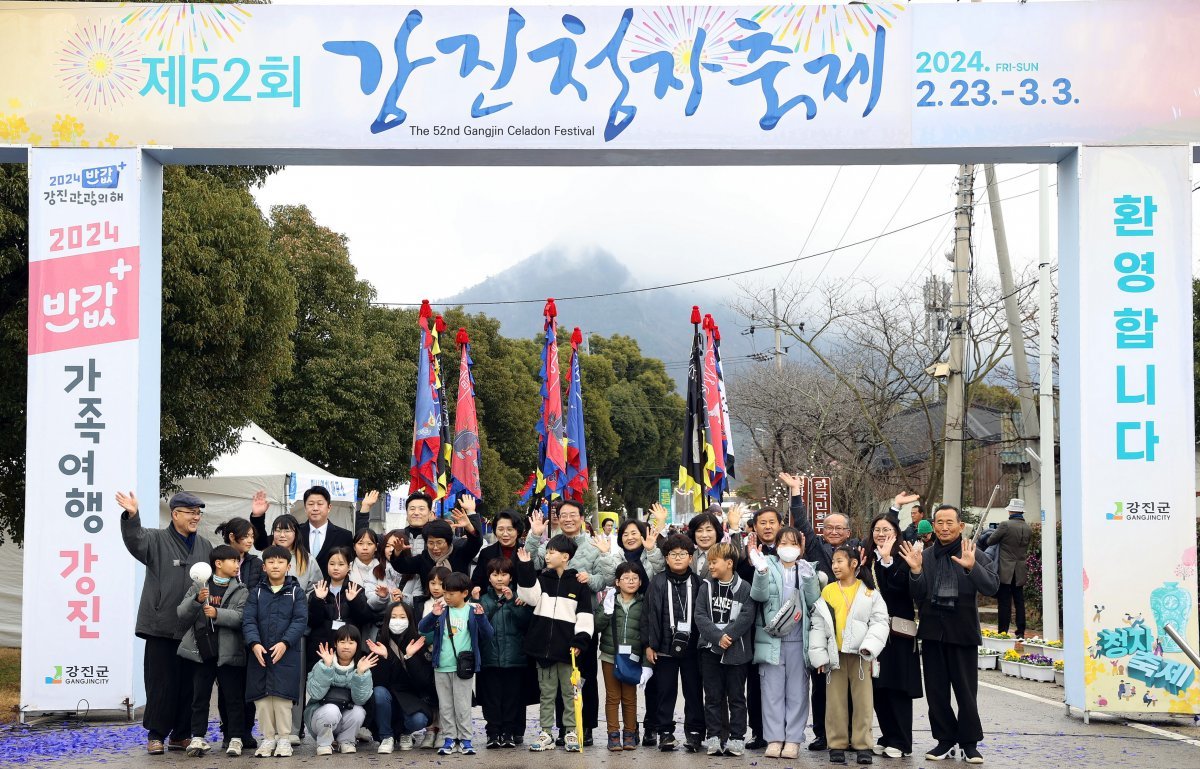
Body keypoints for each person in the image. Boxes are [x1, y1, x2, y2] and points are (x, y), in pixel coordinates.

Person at [898, 504, 999, 764]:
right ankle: (944, 741)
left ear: (960, 526)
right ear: (933, 525)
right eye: (939, 522)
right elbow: (917, 596)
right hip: (932, 633)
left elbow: (991, 586)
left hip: (963, 633)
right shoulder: (926, 555)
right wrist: (916, 572)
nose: (944, 527)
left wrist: (972, 566)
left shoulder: (972, 552)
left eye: (949, 522)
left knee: (966, 693)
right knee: (936, 693)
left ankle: (969, 744)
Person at [116, 490, 214, 755]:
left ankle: (181, 734)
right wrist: (132, 515)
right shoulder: (156, 539)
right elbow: (134, 540)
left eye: (198, 513)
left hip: (192, 629)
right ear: (175, 514)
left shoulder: (205, 545)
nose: (196, 517)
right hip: (161, 625)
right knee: (161, 683)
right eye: (191, 512)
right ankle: (156, 734)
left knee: (188, 684)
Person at [524, 499, 619, 746]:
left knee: (583, 676)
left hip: (582, 622)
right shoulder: (550, 544)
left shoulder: (593, 544)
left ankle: (584, 726)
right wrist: (534, 537)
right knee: (555, 680)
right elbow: (531, 564)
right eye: (562, 514)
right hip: (551, 624)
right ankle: (560, 728)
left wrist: (591, 577)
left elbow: (608, 578)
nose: (567, 519)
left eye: (572, 514)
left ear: (580, 516)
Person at [809, 546, 890, 765]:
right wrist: (820, 656)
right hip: (835, 654)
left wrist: (869, 647)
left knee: (863, 701)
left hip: (861, 655)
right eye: (833, 562)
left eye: (839, 562)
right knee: (835, 701)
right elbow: (817, 625)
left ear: (854, 564)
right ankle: (836, 744)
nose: (835, 566)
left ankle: (863, 744)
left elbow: (881, 622)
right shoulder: (828, 591)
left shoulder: (869, 593)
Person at [747, 525, 822, 760]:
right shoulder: (767, 565)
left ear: (800, 547)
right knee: (771, 692)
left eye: (793, 543)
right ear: (776, 546)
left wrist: (810, 579)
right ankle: (774, 738)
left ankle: (793, 739)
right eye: (784, 543)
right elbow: (758, 597)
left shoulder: (808, 568)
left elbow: (813, 602)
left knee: (798, 692)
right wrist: (759, 572)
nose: (788, 548)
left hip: (799, 639)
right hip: (770, 639)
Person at [515, 535, 595, 752]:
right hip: (543, 649)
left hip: (568, 650)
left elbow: (586, 616)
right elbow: (529, 596)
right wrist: (524, 567)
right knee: (546, 693)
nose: (547, 555)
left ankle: (570, 732)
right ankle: (546, 733)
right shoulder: (542, 579)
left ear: (565, 556)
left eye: (552, 552)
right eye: (547, 551)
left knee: (570, 693)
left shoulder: (578, 584)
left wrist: (580, 641)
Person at [177, 544, 248, 757]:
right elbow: (182, 613)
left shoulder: (241, 589)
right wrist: (197, 600)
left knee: (233, 698)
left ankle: (235, 738)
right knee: (200, 697)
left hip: (229, 652)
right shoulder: (199, 586)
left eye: (238, 561)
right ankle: (198, 737)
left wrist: (217, 613)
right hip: (203, 651)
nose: (237, 565)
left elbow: (242, 617)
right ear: (218, 563)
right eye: (233, 560)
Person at [863, 514, 922, 758]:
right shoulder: (866, 558)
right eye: (876, 529)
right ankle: (887, 735)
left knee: (898, 687)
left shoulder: (903, 557)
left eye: (886, 529)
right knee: (878, 686)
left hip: (898, 634)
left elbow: (900, 590)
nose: (880, 533)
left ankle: (902, 742)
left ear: (896, 533)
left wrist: (887, 560)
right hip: (874, 635)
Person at [243, 544, 308, 758]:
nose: (275, 566)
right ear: (264, 567)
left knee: (282, 700)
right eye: (270, 562)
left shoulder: (296, 593)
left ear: (288, 566)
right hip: (260, 654)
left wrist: (285, 643)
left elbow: (300, 621)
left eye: (280, 562)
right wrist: (254, 643)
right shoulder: (256, 593)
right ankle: (268, 739)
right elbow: (249, 620)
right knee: (262, 700)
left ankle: (284, 739)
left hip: (286, 655)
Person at [418, 571, 494, 755]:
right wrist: (432, 615)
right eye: (445, 593)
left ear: (464, 593)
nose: (447, 597)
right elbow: (422, 628)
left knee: (462, 705)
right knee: (445, 706)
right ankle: (449, 738)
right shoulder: (442, 610)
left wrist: (482, 618)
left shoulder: (472, 610)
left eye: (451, 594)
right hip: (441, 666)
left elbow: (488, 634)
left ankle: (466, 740)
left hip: (463, 667)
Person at [643, 533, 705, 753]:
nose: (678, 558)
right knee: (665, 692)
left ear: (691, 557)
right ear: (666, 558)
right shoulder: (658, 581)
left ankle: (695, 732)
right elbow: (648, 615)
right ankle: (665, 732)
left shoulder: (698, 582)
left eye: (683, 554)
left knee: (694, 691)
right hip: (664, 649)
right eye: (673, 554)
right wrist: (649, 645)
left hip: (692, 649)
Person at [694, 542, 754, 758]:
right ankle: (714, 737)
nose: (710, 566)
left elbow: (747, 616)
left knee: (737, 697)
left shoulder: (745, 588)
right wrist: (718, 637)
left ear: (729, 563)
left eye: (714, 562)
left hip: (737, 653)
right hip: (710, 651)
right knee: (712, 696)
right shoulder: (706, 587)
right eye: (709, 562)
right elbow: (699, 615)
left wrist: (728, 636)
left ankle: (737, 738)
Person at [477, 556, 533, 748]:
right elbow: (479, 625)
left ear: (511, 577)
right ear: (489, 577)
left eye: (504, 574)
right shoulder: (482, 599)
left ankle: (509, 732)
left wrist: (511, 602)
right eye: (495, 574)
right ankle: (493, 733)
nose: (499, 579)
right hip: (490, 657)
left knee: (512, 697)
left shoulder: (519, 598)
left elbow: (525, 622)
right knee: (491, 697)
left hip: (514, 658)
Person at [365, 602, 436, 752]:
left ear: (410, 619)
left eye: (402, 617)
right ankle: (386, 737)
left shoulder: (417, 641)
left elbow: (423, 681)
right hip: (388, 697)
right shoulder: (380, 641)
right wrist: (384, 657)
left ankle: (406, 733)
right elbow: (378, 682)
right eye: (394, 616)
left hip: (410, 698)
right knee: (379, 692)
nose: (398, 620)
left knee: (419, 719)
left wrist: (410, 657)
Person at [595, 561, 647, 752]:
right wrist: (606, 612)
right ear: (617, 581)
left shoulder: (643, 603)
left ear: (640, 582)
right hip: (610, 655)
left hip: (632, 658)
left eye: (635, 578)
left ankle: (630, 734)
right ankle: (613, 734)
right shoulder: (609, 600)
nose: (630, 581)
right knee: (612, 696)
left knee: (630, 698)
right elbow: (597, 626)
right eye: (626, 578)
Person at [250, 486, 354, 577]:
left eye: (320, 504)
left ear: (329, 507)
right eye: (311, 504)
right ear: (305, 508)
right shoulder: (294, 531)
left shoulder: (344, 536)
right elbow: (261, 544)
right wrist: (257, 517)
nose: (315, 508)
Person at [304, 627, 378, 755]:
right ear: (335, 643)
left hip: (344, 719)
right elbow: (315, 694)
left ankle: (347, 741)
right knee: (331, 709)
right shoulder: (323, 663)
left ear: (357, 645)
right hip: (321, 718)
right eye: (342, 642)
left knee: (359, 712)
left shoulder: (362, 666)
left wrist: (360, 674)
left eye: (351, 642)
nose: (346, 646)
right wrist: (326, 668)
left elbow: (360, 700)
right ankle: (324, 743)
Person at [388, 496, 484, 581]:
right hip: (430, 600)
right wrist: (397, 552)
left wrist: (470, 520)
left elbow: (476, 542)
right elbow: (402, 567)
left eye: (439, 543)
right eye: (430, 543)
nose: (435, 547)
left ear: (448, 541)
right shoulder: (424, 558)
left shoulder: (460, 553)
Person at [988, 498, 1033, 639]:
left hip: (1005, 569)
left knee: (1004, 602)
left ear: (1011, 510)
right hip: (1020, 569)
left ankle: (1003, 631)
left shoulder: (1005, 525)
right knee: (1019, 601)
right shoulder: (1028, 528)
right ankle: (1020, 631)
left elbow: (990, 541)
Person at [470, 509, 526, 597]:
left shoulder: (526, 551)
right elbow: (477, 582)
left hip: (519, 604)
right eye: (500, 529)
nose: (505, 534)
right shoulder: (486, 553)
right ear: (495, 531)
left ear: (518, 531)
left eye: (510, 529)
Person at [350, 528, 396, 615]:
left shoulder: (386, 568)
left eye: (370, 544)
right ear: (354, 547)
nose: (365, 548)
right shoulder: (347, 568)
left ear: (376, 547)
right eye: (360, 543)